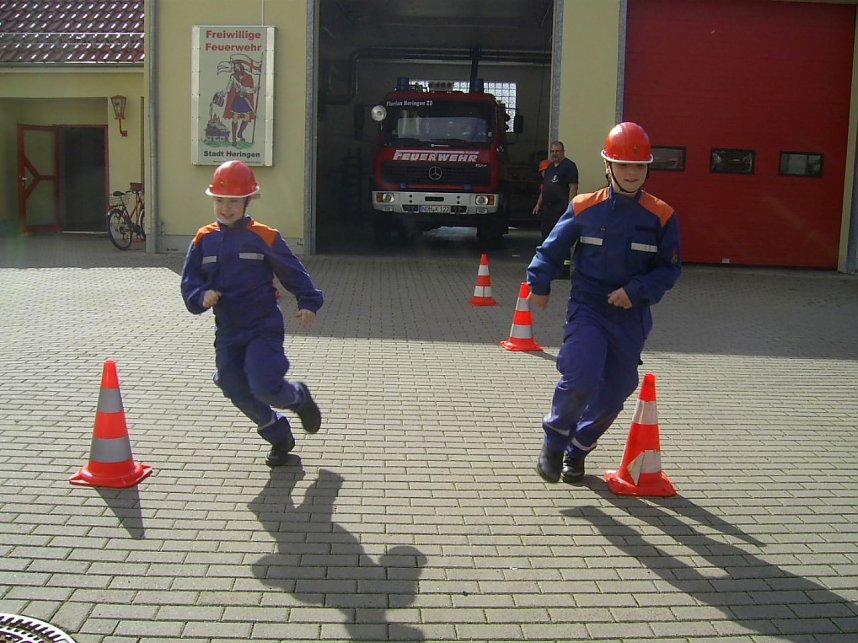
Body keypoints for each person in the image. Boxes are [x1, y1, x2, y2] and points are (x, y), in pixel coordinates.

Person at [527, 122, 681, 484]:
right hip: (588, 308)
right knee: (581, 373)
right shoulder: (583, 208)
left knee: (616, 390)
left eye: (639, 166)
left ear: (647, 169)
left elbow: (669, 270)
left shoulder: (662, 216)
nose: (631, 173)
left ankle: (578, 448)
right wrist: (541, 282)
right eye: (623, 165)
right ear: (608, 167)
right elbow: (550, 249)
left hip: (631, 316)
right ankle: (553, 443)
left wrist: (637, 290)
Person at [181, 159, 324, 467]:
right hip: (229, 332)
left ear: (247, 200)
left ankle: (298, 397)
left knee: (264, 384)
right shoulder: (203, 239)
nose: (225, 208)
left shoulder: (264, 235)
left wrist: (308, 301)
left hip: (262, 328)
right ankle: (277, 433)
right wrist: (199, 296)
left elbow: (293, 271)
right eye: (220, 200)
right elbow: (190, 281)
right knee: (232, 385)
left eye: (233, 201)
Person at [532, 141, 579, 277]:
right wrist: (538, 204)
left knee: (561, 238)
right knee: (546, 237)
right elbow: (545, 187)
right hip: (548, 209)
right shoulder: (550, 167)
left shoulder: (569, 167)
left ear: (563, 152)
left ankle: (564, 270)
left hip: (561, 209)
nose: (554, 154)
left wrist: (570, 208)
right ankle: (549, 266)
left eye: (557, 151)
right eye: (552, 151)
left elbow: (573, 187)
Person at [223, 60, 256, 145]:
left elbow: (250, 90)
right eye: (235, 67)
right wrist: (222, 93)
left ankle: (240, 133)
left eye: (237, 66)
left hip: (245, 100)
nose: (236, 68)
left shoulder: (248, 77)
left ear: (241, 67)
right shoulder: (233, 77)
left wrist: (252, 90)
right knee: (235, 118)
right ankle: (234, 140)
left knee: (247, 118)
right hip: (237, 99)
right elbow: (228, 88)